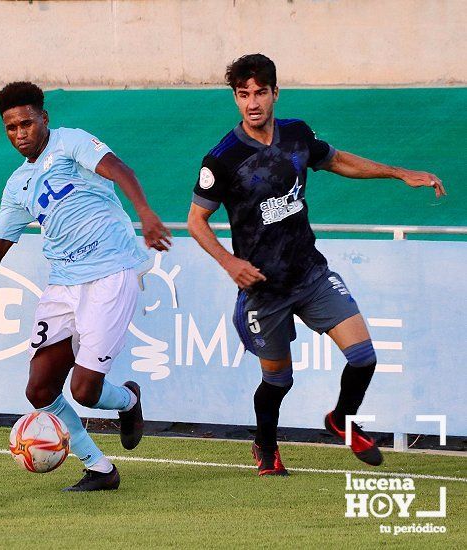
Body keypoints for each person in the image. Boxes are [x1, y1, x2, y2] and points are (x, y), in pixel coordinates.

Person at [186, 54, 446, 476]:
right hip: (262, 290)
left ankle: (341, 420)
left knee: (363, 356)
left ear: (275, 93)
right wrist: (229, 262)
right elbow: (196, 221)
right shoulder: (223, 158)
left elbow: (339, 160)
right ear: (236, 98)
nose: (252, 102)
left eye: (260, 93)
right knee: (278, 382)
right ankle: (266, 446)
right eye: (243, 94)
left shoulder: (297, 135)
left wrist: (400, 173)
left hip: (310, 274)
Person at [0, 82, 172, 492]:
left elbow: (120, 170)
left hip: (110, 275)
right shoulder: (17, 185)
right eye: (11, 128)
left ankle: (128, 401)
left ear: (44, 119)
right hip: (63, 286)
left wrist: (145, 213)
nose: (20, 133)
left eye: (26, 122)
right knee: (39, 389)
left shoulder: (71, 143)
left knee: (84, 391)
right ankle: (99, 468)